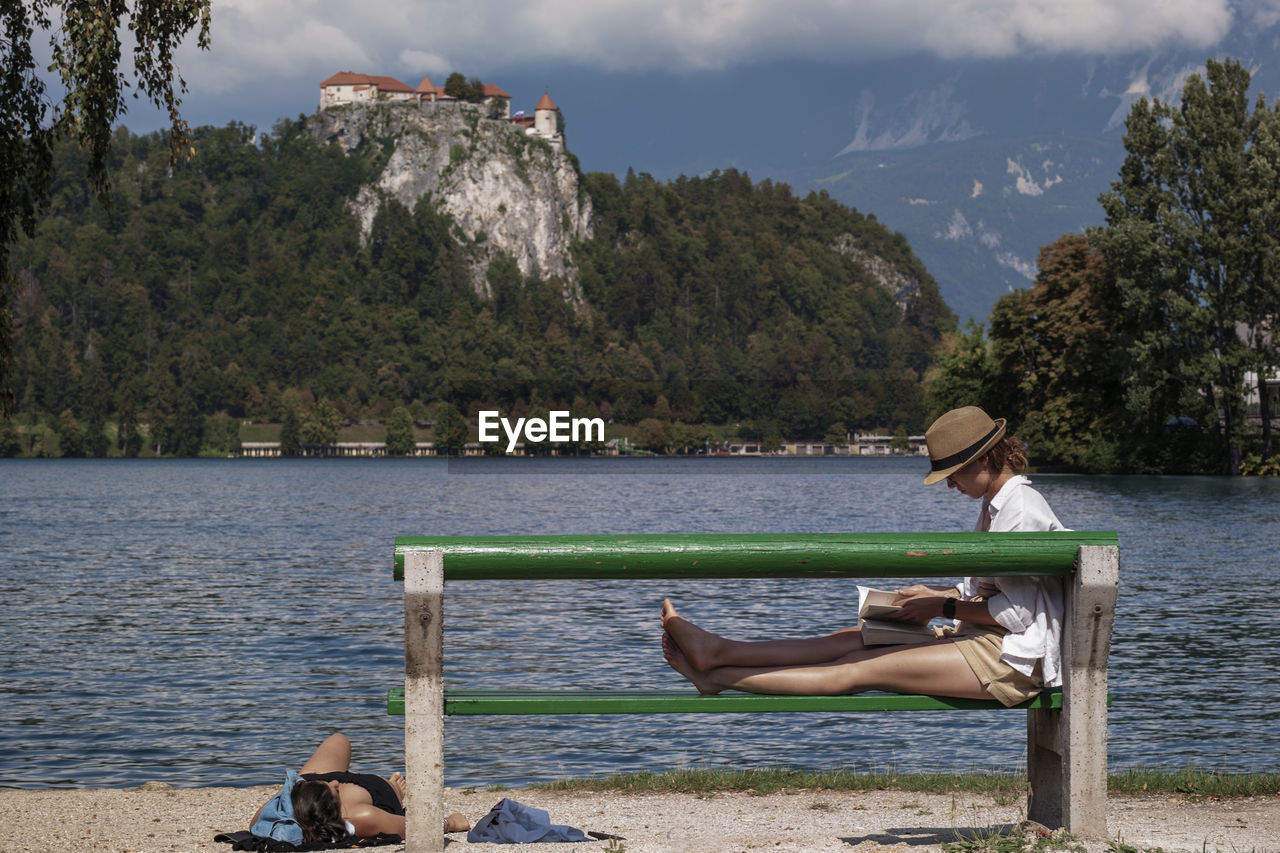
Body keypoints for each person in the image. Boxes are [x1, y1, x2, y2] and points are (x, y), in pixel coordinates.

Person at [660, 405, 1068, 708]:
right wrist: (933, 592)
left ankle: (721, 678)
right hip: (985, 639)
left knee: (856, 668)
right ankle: (719, 652)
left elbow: (1016, 616)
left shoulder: (1019, 511)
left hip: (1010, 661)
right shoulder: (1000, 503)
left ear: (983, 459)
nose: (951, 486)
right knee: (849, 641)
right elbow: (992, 587)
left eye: (954, 475)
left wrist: (942, 606)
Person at [250, 732, 469, 842]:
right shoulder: (362, 816)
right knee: (390, 789)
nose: (336, 783)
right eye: (335, 792)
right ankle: (394, 789)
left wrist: (300, 794)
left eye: (330, 785)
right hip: (374, 791)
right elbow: (417, 828)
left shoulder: (285, 812)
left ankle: (316, 787)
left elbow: (256, 822)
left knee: (339, 739)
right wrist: (450, 823)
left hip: (310, 784)